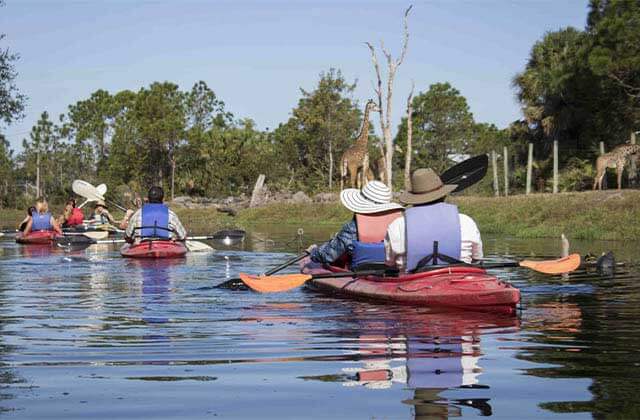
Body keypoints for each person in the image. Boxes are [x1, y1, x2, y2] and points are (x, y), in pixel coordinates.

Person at [385, 168, 482, 272]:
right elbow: (477, 259)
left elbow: (390, 263)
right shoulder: (466, 221)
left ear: (413, 199)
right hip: (461, 279)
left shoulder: (397, 224)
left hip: (412, 282)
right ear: (443, 195)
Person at [307, 181, 403, 268]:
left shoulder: (352, 228)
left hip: (361, 273)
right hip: (393, 270)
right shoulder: (399, 224)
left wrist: (314, 252)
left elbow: (329, 255)